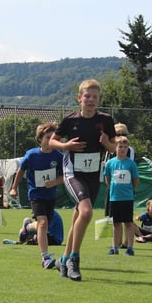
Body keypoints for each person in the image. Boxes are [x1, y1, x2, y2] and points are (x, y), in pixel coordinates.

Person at [49, 79, 116, 281]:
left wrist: (107, 143)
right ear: (79, 98)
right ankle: (74, 260)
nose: (91, 100)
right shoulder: (70, 120)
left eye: (95, 97)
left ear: (99, 100)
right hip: (73, 173)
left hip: (93, 175)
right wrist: (66, 146)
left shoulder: (106, 120)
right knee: (86, 212)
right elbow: (52, 141)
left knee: (79, 218)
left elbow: (114, 148)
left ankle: (63, 259)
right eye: (87, 96)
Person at [9, 122, 64, 269]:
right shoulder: (32, 155)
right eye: (47, 137)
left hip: (51, 195)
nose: (51, 140)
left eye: (53, 138)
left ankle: (27, 227)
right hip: (36, 194)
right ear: (40, 139)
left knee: (43, 224)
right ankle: (45, 257)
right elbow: (21, 170)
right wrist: (13, 188)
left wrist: (54, 182)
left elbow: (65, 176)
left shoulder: (58, 156)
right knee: (43, 223)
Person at [103, 135, 140, 255]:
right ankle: (115, 247)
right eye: (120, 146)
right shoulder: (110, 163)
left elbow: (135, 181)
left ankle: (130, 248)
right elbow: (107, 179)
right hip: (114, 198)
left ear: (128, 148)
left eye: (125, 147)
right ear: (116, 148)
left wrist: (129, 190)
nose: (122, 149)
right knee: (116, 223)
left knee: (128, 223)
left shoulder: (131, 164)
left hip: (127, 198)